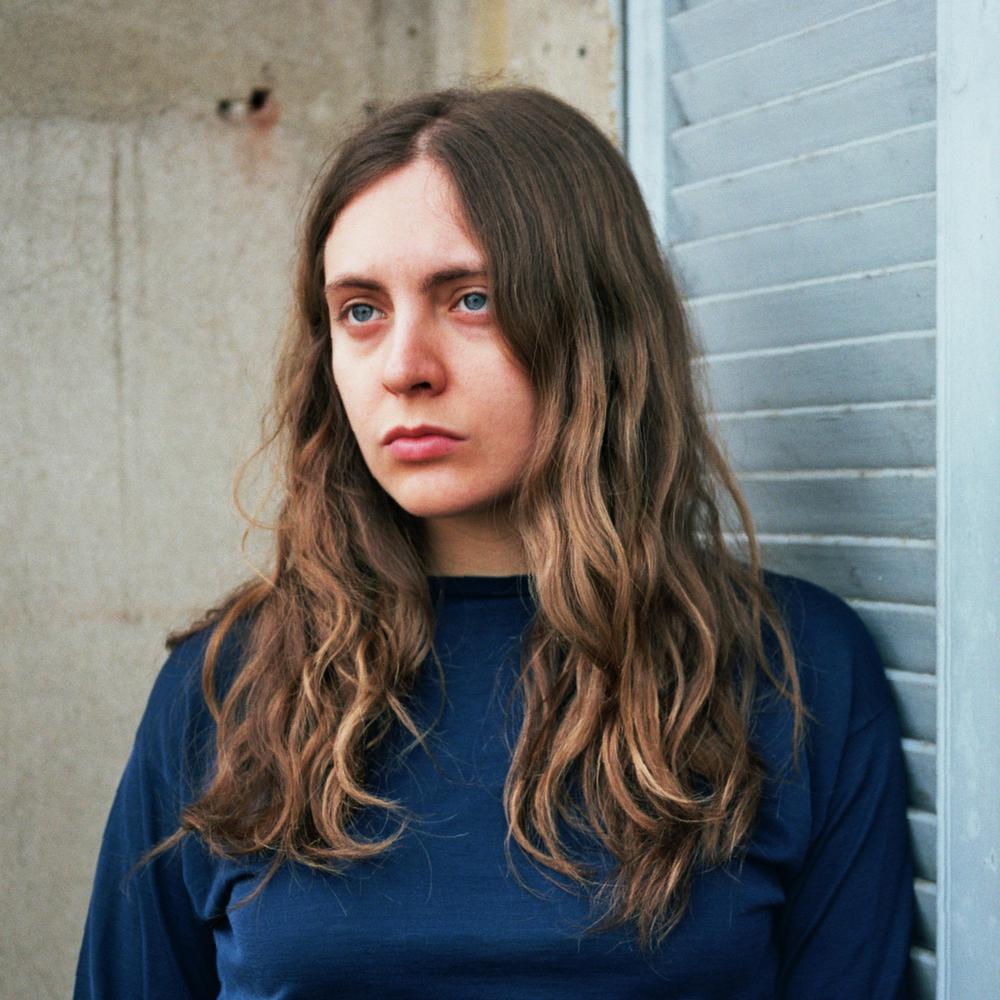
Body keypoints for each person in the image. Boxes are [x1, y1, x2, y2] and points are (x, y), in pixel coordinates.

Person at [74, 85, 914, 999]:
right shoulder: (229, 685)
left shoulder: (795, 671)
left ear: (596, 325)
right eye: (361, 311)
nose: (404, 368)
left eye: (470, 299)